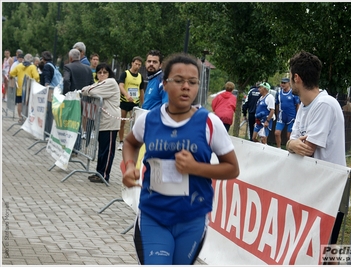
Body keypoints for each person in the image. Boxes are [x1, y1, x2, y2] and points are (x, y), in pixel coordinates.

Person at [122, 53, 239, 265]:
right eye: (179, 81)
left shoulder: (209, 123)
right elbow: (130, 143)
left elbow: (232, 168)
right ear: (164, 84)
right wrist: (130, 166)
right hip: (153, 215)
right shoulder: (149, 119)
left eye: (192, 82)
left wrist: (195, 167)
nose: (186, 87)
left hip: (192, 218)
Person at [285, 51, 346, 262]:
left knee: (327, 250)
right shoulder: (304, 105)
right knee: (312, 248)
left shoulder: (325, 104)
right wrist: (291, 143)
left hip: (330, 190)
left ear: (297, 78)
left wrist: (293, 144)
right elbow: (293, 141)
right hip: (314, 186)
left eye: (289, 74)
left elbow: (306, 148)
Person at [81, 63, 121, 183]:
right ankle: (99, 173)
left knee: (107, 150)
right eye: (99, 72)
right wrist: (87, 89)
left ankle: (104, 175)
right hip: (102, 121)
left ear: (109, 74)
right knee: (102, 149)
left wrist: (86, 89)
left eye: (105, 72)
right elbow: (89, 90)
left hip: (110, 121)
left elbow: (89, 91)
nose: (102, 75)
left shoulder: (110, 82)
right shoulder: (100, 84)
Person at [117, 56, 144, 151]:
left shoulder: (140, 77)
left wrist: (142, 103)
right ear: (132, 63)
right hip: (124, 101)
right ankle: (121, 142)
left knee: (135, 124)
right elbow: (121, 86)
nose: (137, 66)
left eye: (139, 65)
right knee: (122, 122)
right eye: (136, 64)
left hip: (135, 103)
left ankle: (132, 143)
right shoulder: (125, 74)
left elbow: (141, 91)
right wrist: (127, 95)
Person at [9, 53, 40, 123]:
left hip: (20, 88)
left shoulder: (19, 66)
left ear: (24, 59)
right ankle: (26, 119)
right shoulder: (32, 67)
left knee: (19, 103)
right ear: (31, 59)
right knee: (28, 104)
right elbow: (37, 77)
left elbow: (11, 73)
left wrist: (12, 77)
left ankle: (20, 118)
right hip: (29, 90)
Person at [274, 77, 300, 148]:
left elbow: (297, 105)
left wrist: (297, 116)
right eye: (282, 83)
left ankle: (289, 150)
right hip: (281, 116)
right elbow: (277, 104)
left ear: (289, 83)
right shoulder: (279, 93)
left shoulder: (293, 93)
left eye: (284, 83)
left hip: (291, 117)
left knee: (289, 136)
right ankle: (278, 148)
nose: (283, 84)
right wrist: (277, 114)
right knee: (277, 133)